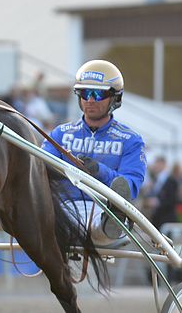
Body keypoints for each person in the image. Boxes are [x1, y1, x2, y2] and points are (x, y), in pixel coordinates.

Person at [42, 59, 146, 245]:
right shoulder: (60, 133)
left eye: (98, 94)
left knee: (99, 226)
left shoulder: (130, 140)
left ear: (115, 98)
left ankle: (112, 222)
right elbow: (40, 168)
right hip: (60, 208)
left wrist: (98, 171)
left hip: (101, 207)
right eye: (84, 93)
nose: (90, 99)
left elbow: (130, 187)